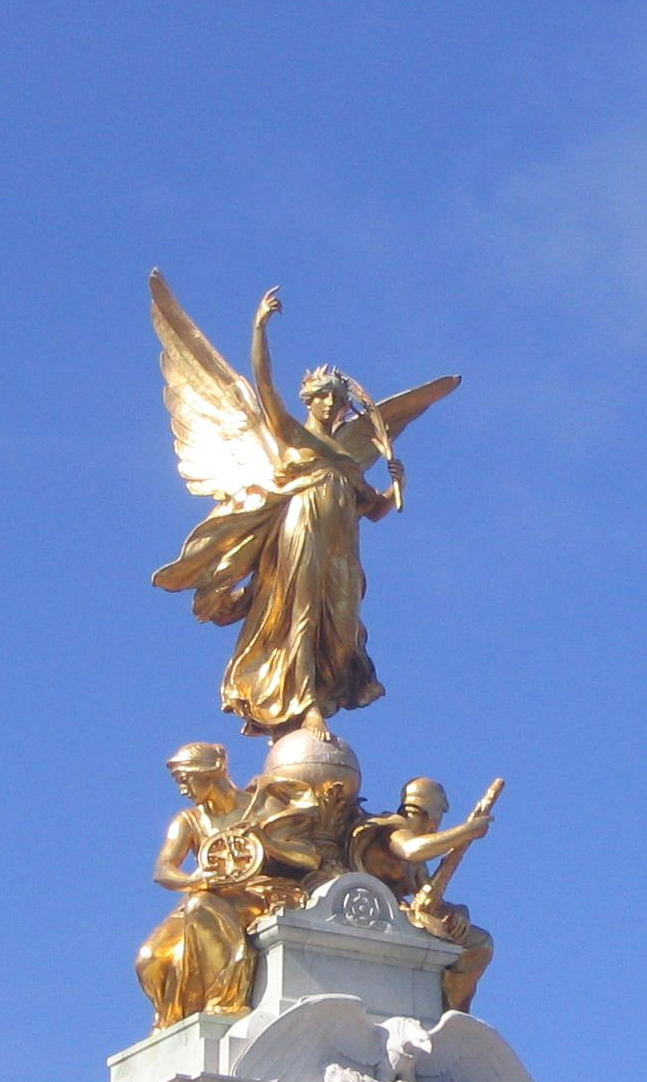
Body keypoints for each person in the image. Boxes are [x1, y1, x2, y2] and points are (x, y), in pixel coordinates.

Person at [150, 275, 458, 737]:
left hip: (341, 539)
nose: (332, 404)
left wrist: (396, 486)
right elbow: (264, 386)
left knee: (341, 623)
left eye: (338, 398)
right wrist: (260, 330)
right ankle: (307, 702)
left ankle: (326, 689)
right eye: (324, 396)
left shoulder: (349, 457)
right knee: (303, 609)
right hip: (302, 524)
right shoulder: (293, 436)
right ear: (309, 400)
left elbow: (373, 510)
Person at [135, 742, 302, 1028]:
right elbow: (163, 870)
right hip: (205, 891)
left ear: (211, 772)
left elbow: (309, 857)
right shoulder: (189, 820)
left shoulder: (262, 806)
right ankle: (172, 1023)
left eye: (186, 779)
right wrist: (193, 880)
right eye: (179, 781)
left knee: (202, 907)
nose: (183, 789)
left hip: (256, 892)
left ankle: (226, 1002)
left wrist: (267, 842)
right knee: (149, 959)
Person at [350, 778, 495, 1013]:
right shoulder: (391, 827)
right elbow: (412, 850)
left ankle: (452, 1011)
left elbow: (429, 901)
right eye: (434, 821)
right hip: (363, 910)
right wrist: (467, 831)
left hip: (396, 917)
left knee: (480, 943)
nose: (433, 829)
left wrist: (460, 914)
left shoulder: (416, 866)